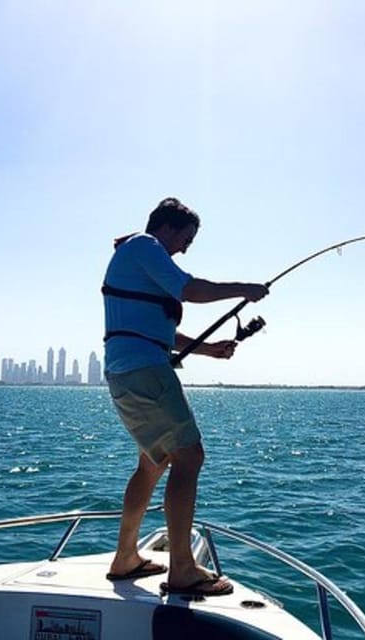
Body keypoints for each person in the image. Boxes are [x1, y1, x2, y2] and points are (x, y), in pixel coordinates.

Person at [102, 197, 268, 597]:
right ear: (170, 227)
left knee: (153, 463)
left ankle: (126, 557)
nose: (186, 247)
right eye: (187, 238)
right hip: (146, 372)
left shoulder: (134, 256)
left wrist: (210, 350)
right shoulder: (145, 246)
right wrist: (243, 289)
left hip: (126, 372)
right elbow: (189, 288)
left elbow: (156, 329)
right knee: (189, 456)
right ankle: (182, 570)